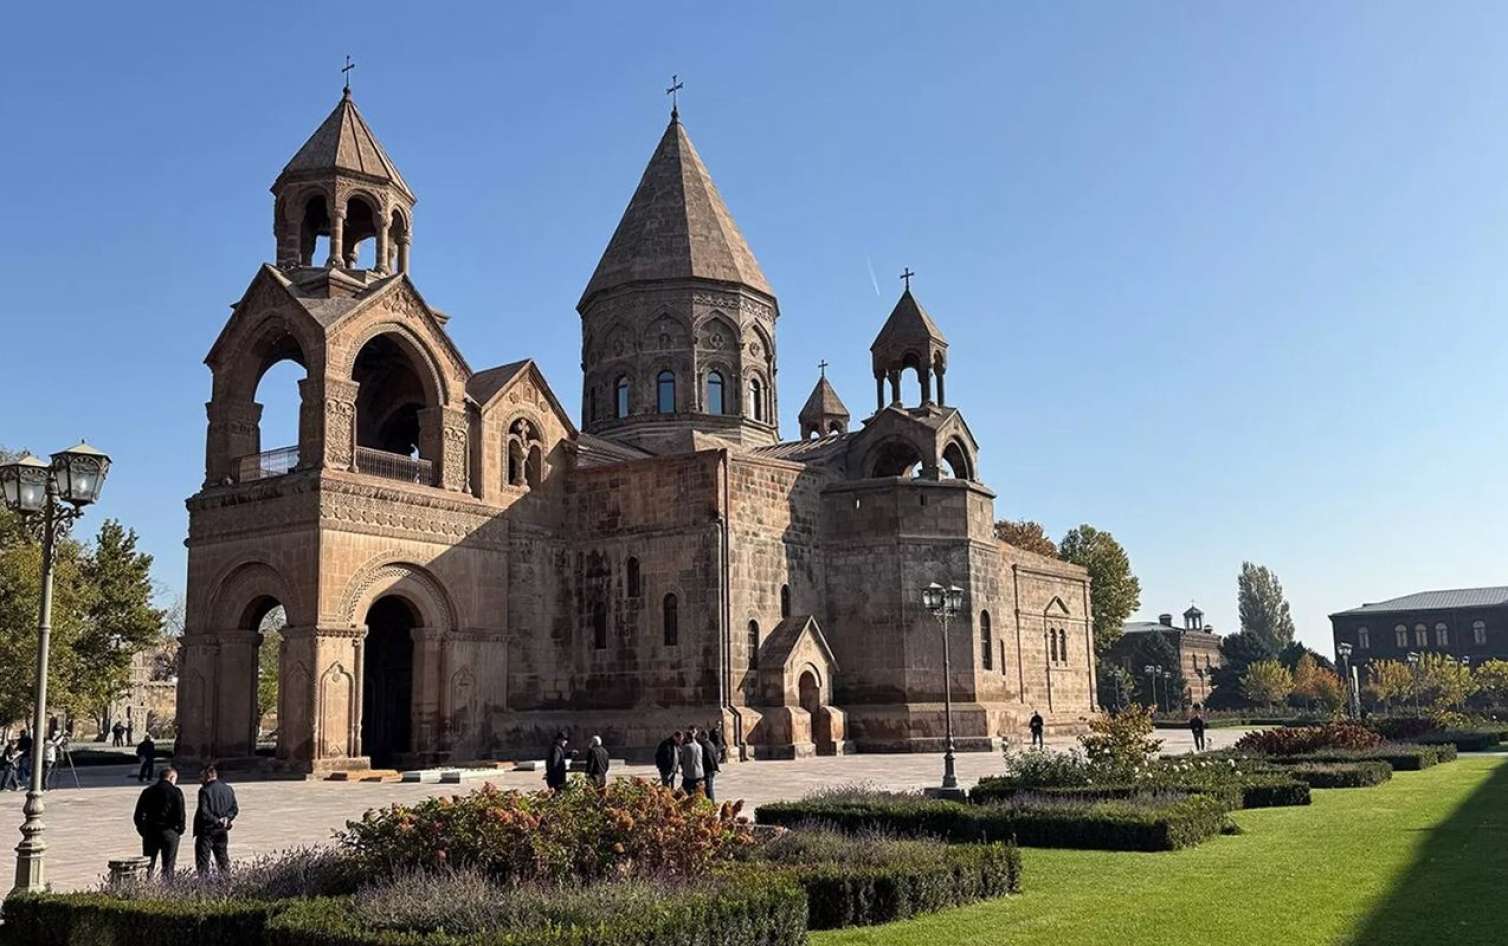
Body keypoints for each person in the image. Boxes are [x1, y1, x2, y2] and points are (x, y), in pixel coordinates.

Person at [134, 767, 185, 879]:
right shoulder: (176, 792)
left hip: (151, 831)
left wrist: (143, 830)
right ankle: (167, 885)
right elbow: (180, 814)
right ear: (171, 778)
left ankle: (148, 884)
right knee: (168, 865)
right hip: (169, 831)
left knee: (149, 865)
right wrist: (179, 830)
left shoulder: (148, 791)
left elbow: (138, 815)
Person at [194, 765, 238, 876]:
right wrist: (227, 818)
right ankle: (226, 881)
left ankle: (203, 883)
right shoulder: (228, 789)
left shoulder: (204, 790)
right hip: (222, 830)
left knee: (203, 861)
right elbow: (234, 809)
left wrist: (217, 821)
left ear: (208, 776)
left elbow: (204, 812)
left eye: (202, 776)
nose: (200, 779)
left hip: (207, 830)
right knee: (222, 858)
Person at [695, 726, 720, 802]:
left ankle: (711, 803)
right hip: (711, 770)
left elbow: (709, 758)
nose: (700, 738)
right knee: (709, 787)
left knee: (709, 788)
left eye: (701, 736)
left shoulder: (705, 746)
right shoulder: (711, 744)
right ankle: (711, 802)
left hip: (708, 770)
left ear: (704, 736)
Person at [677, 727, 704, 795]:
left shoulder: (687, 747)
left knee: (683, 791)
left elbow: (682, 759)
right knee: (697, 792)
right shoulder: (699, 746)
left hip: (690, 773)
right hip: (700, 772)